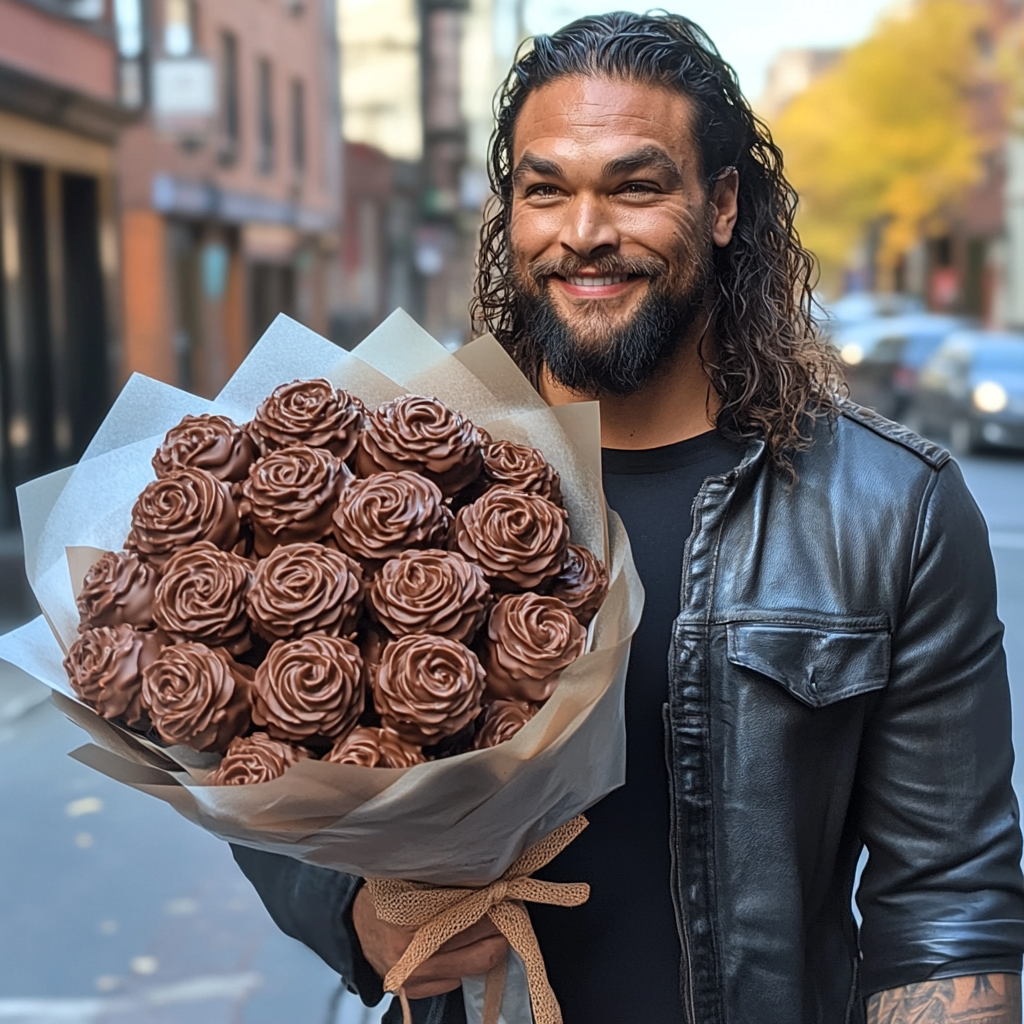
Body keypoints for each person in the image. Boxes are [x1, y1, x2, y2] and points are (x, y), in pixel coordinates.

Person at [232, 12, 1024, 1022]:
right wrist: (346, 907)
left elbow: (945, 893)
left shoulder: (889, 508)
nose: (583, 231)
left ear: (724, 204)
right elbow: (241, 739)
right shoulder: (386, 486)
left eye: (635, 186)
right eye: (544, 189)